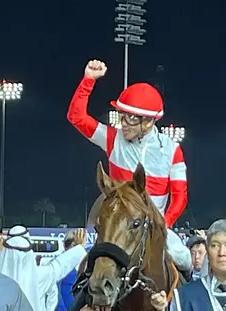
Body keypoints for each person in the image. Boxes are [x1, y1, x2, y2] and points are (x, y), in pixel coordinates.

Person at [67, 59, 192, 272]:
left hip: (154, 225)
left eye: (131, 119)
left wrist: (163, 223)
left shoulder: (172, 150)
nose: (123, 124)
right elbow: (76, 116)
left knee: (184, 258)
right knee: (89, 269)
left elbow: (180, 197)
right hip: (119, 226)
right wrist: (88, 80)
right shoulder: (111, 138)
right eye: (122, 116)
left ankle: (185, 293)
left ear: (149, 122)